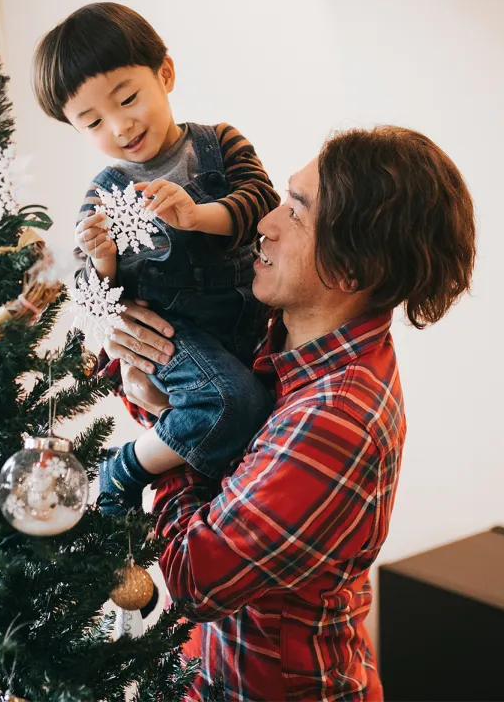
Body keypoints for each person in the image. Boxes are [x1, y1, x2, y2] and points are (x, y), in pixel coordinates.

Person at [101, 126, 476, 700]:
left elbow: (196, 578)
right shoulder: (273, 328)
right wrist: (129, 352)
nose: (264, 224)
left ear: (351, 270)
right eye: (281, 199)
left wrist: (165, 434)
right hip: (209, 669)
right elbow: (172, 385)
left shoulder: (337, 418)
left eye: (295, 213)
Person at [32, 3, 280, 514]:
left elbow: (262, 201)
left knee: (262, 418)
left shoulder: (220, 144)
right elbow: (90, 296)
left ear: (164, 73)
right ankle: (122, 470)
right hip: (176, 339)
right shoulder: (104, 195)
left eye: (127, 99)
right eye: (94, 121)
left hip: (249, 321)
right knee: (235, 404)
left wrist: (197, 217)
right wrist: (100, 262)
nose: (120, 126)